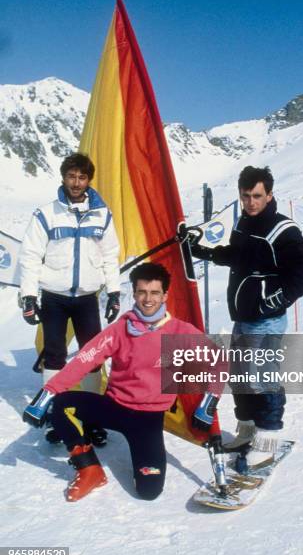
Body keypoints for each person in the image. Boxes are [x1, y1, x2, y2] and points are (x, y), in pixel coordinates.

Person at [23, 263, 209, 502]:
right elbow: (84, 359)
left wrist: (208, 402)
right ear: (134, 292)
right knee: (61, 405)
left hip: (148, 419)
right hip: (114, 407)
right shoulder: (121, 329)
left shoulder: (179, 332)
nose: (147, 299)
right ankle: (89, 469)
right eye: (142, 292)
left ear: (165, 295)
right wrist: (46, 394)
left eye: (154, 293)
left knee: (149, 491)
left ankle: (141, 465)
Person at [190, 165, 303, 468]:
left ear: (270, 195)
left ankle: (268, 439)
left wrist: (279, 298)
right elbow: (237, 256)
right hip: (244, 317)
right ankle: (247, 430)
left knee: (262, 378)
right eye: (246, 196)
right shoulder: (244, 224)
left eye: (257, 196)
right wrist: (204, 251)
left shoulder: (281, 229)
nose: (251, 202)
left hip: (267, 319)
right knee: (240, 377)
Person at [19, 153, 121, 445]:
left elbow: (109, 255)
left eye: (82, 177)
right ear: (63, 177)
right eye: (71, 176)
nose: (76, 183)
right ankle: (56, 412)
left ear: (89, 180)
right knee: (54, 355)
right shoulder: (47, 214)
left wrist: (113, 292)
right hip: (54, 297)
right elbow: (30, 257)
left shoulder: (102, 214)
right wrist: (28, 296)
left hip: (87, 298)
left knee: (92, 356)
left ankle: (90, 415)